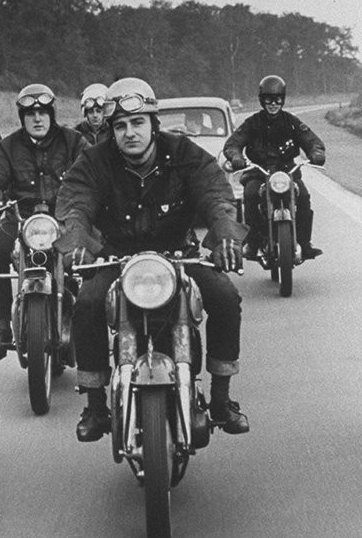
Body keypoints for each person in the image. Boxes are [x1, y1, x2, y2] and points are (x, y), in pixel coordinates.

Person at [55, 77, 249, 440]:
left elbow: (216, 195)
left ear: (153, 123)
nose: (130, 133)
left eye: (138, 122)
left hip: (179, 253)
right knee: (87, 303)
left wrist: (225, 238)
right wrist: (76, 241)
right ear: (111, 131)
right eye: (121, 126)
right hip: (117, 257)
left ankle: (222, 399)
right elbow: (75, 201)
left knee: (226, 297)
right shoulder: (94, 161)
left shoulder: (185, 154)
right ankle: (96, 407)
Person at [0, 83, 88, 360]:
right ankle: (2, 328)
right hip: (21, 218)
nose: (37, 118)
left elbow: (93, 170)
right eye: (30, 114)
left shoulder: (73, 141)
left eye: (42, 112)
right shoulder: (9, 147)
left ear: (51, 114)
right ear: (22, 118)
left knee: (87, 255)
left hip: (64, 218)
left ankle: (85, 326)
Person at [222, 74, 327, 260]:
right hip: (258, 171)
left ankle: (304, 243)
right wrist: (236, 157)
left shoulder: (291, 122)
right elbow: (233, 144)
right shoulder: (252, 123)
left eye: (277, 99)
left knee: (303, 196)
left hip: (287, 171)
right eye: (269, 99)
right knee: (251, 194)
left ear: (283, 100)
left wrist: (316, 153)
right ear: (262, 100)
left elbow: (312, 140)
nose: (273, 104)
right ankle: (253, 242)